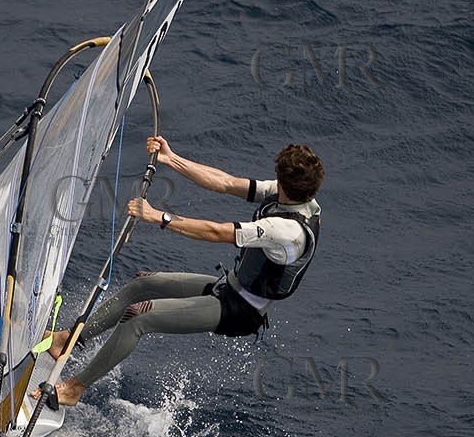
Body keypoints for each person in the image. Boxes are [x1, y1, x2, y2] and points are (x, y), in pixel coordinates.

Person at [33, 136, 322, 408]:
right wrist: (171, 159)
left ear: (285, 183)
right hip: (228, 287)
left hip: (241, 310)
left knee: (138, 316)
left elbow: (216, 232)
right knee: (144, 284)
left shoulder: (287, 230)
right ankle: (67, 340)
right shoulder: (292, 195)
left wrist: (158, 216)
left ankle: (74, 389)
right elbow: (226, 182)